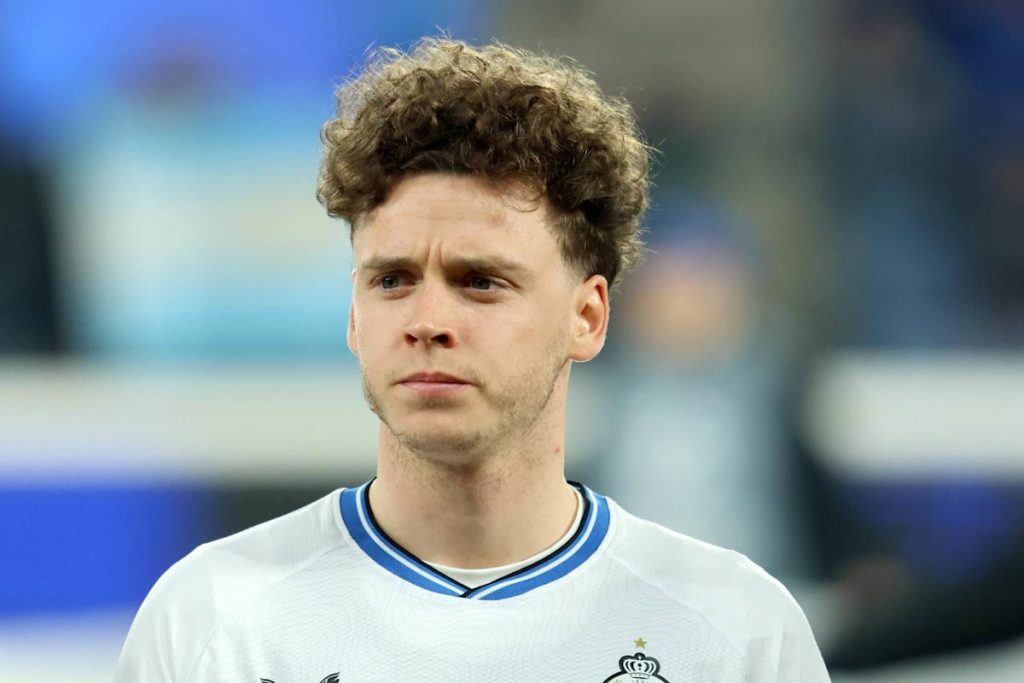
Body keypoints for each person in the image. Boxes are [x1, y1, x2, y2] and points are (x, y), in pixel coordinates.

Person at [114, 38, 830, 682]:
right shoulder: (210, 620)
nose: (427, 322)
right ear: (354, 316)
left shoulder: (737, 633)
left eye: (481, 281)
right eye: (392, 280)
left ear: (587, 317)